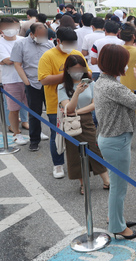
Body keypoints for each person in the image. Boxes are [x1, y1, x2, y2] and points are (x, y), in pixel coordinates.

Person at [94, 44, 136, 240]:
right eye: (124, 62)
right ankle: (117, 226)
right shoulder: (113, 86)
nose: (126, 66)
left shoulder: (102, 81)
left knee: (117, 184)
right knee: (118, 186)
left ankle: (115, 218)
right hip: (116, 141)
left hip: (110, 138)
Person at [39, 27, 86, 178]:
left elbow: (88, 72)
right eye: (67, 43)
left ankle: (81, 162)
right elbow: (44, 79)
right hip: (56, 104)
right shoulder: (48, 56)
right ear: (58, 41)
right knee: (57, 135)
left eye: (73, 43)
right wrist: (67, 75)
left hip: (78, 102)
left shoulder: (77, 54)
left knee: (80, 133)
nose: (71, 46)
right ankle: (58, 165)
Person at [57, 55, 109, 194]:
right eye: (74, 69)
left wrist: (78, 111)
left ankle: (106, 180)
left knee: (94, 148)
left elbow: (94, 104)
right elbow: (69, 108)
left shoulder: (91, 84)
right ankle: (83, 183)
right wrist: (77, 93)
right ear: (68, 70)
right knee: (75, 153)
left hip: (86, 119)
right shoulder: (62, 87)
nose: (78, 71)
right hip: (70, 122)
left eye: (80, 68)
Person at [11, 22, 52, 151]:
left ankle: (58, 138)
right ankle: (34, 141)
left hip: (49, 83)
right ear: (32, 34)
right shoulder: (20, 44)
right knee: (34, 114)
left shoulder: (49, 44)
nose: (42, 37)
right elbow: (17, 64)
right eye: (40, 35)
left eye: (44, 34)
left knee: (53, 113)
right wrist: (26, 82)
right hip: (32, 83)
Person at [0, 17, 29, 145]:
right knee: (13, 108)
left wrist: (15, 59)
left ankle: (35, 130)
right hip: (11, 80)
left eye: (13, 27)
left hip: (28, 78)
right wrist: (23, 58)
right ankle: (16, 133)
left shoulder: (24, 40)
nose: (11, 30)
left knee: (32, 107)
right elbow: (7, 60)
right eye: (7, 27)